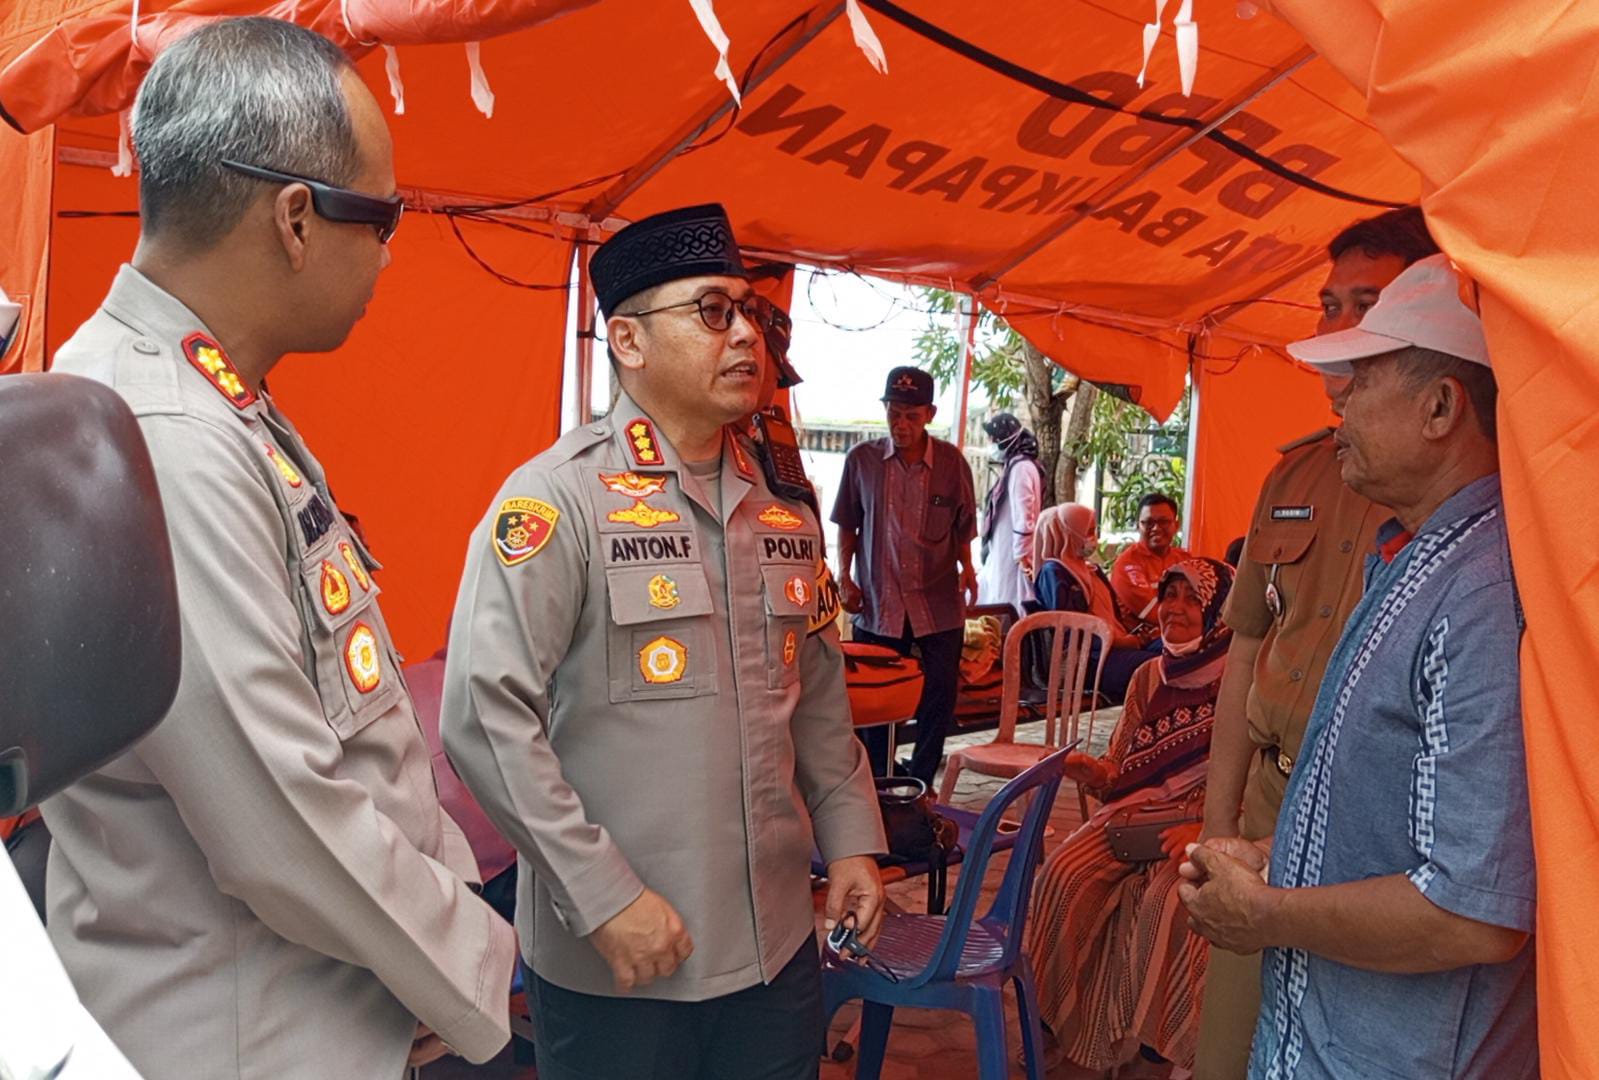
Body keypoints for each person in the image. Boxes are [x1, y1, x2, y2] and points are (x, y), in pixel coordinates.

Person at [41, 19, 515, 1078]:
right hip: (248, 1032)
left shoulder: (211, 399)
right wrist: (476, 963)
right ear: (296, 219)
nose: (388, 251)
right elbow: (279, 819)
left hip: (300, 1001)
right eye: (381, 216)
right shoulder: (162, 434)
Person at [441, 203, 886, 1080]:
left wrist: (854, 843)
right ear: (628, 342)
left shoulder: (785, 513)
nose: (745, 337)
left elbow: (820, 707)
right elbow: (482, 716)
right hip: (625, 963)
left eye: (751, 313)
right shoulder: (557, 502)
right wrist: (602, 898)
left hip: (775, 952)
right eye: (711, 311)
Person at [1181, 255, 1536, 1080]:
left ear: (1441, 407)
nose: (1337, 396)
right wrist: (1279, 852)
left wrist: (1268, 911)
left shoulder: (1479, 592)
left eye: (1365, 377)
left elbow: (1470, 915)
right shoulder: (1414, 555)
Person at [1192, 206, 1438, 1078]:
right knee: (1229, 1052)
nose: (1334, 327)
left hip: (1377, 840)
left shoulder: (1455, 480)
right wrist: (1216, 825)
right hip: (1270, 800)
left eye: (1361, 304)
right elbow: (1243, 664)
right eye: (1327, 304)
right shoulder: (1293, 475)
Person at [1027, 557, 1235, 1077]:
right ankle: (1064, 1029)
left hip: (1200, 822)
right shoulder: (1148, 676)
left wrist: (1205, 829)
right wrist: (1090, 771)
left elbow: (1248, 784)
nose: (1176, 610)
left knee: (1165, 901)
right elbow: (1120, 767)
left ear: (1218, 613)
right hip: (1134, 816)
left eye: (1192, 599)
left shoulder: (1238, 683)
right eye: (1170, 597)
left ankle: (1154, 1048)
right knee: (1062, 874)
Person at [833, 365, 979, 784]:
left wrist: (968, 569)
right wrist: (845, 576)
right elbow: (848, 524)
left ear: (930, 414)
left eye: (911, 416)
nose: (901, 425)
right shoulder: (862, 461)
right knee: (875, 699)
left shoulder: (952, 463)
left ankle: (920, 782)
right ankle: (878, 781)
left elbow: (963, 525)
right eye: (893, 413)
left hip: (937, 602)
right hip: (880, 601)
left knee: (938, 696)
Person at [1029, 503, 1160, 702]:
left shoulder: (1090, 570)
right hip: (1089, 658)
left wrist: (1139, 635)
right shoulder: (1054, 573)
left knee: (1177, 652)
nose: (1093, 538)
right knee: (1154, 667)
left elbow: (1113, 615)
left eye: (1094, 531)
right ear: (1069, 533)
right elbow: (1070, 628)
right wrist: (1119, 641)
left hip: (1116, 647)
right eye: (1088, 532)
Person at [976, 411, 1045, 612]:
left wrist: (1021, 555)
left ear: (1003, 439)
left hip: (1014, 555)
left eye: (992, 439)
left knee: (1009, 602)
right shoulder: (1019, 465)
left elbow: (1025, 514)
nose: (991, 444)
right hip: (1008, 550)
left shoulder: (1020, 468)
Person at [1111, 493, 1189, 622]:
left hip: (1184, 633)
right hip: (1147, 639)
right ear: (1138, 526)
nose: (1156, 528)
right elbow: (1152, 612)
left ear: (1176, 525)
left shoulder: (1185, 559)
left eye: (1163, 522)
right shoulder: (1127, 563)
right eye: (1148, 523)